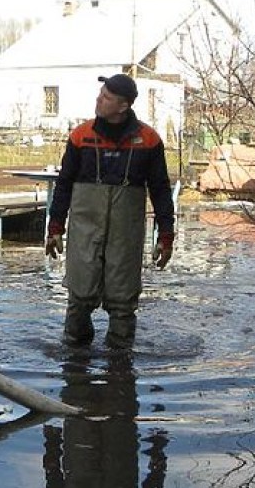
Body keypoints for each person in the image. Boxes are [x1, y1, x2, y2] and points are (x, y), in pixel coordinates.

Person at [45, 74, 175, 350]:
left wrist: (166, 235)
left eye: (106, 97)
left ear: (123, 105)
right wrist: (55, 227)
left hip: (125, 234)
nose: (98, 100)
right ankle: (74, 362)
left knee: (123, 302)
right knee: (79, 297)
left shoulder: (149, 140)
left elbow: (161, 190)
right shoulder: (81, 136)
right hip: (84, 229)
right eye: (100, 94)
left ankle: (120, 367)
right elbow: (64, 184)